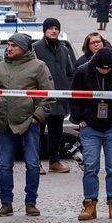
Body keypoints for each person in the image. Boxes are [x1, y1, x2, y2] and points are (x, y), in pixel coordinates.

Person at [0, 32, 52, 217]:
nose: (9, 48)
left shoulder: (39, 67)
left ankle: (31, 202)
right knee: (4, 164)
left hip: (29, 123)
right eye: (9, 45)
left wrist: (37, 116)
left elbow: (48, 95)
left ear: (23, 48)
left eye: (14, 45)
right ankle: (6, 203)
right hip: (4, 123)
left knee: (32, 163)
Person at [69, 47, 112, 220]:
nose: (105, 71)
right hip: (90, 127)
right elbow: (73, 96)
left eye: (108, 68)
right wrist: (79, 118)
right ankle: (89, 203)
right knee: (90, 167)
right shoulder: (83, 71)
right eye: (101, 68)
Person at [32, 19, 78, 172]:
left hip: (60, 97)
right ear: (44, 30)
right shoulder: (36, 48)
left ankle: (54, 161)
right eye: (50, 28)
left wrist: (68, 88)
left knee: (56, 133)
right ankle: (36, 162)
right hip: (41, 99)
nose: (53, 31)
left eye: (56, 28)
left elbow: (70, 71)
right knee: (37, 133)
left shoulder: (63, 49)